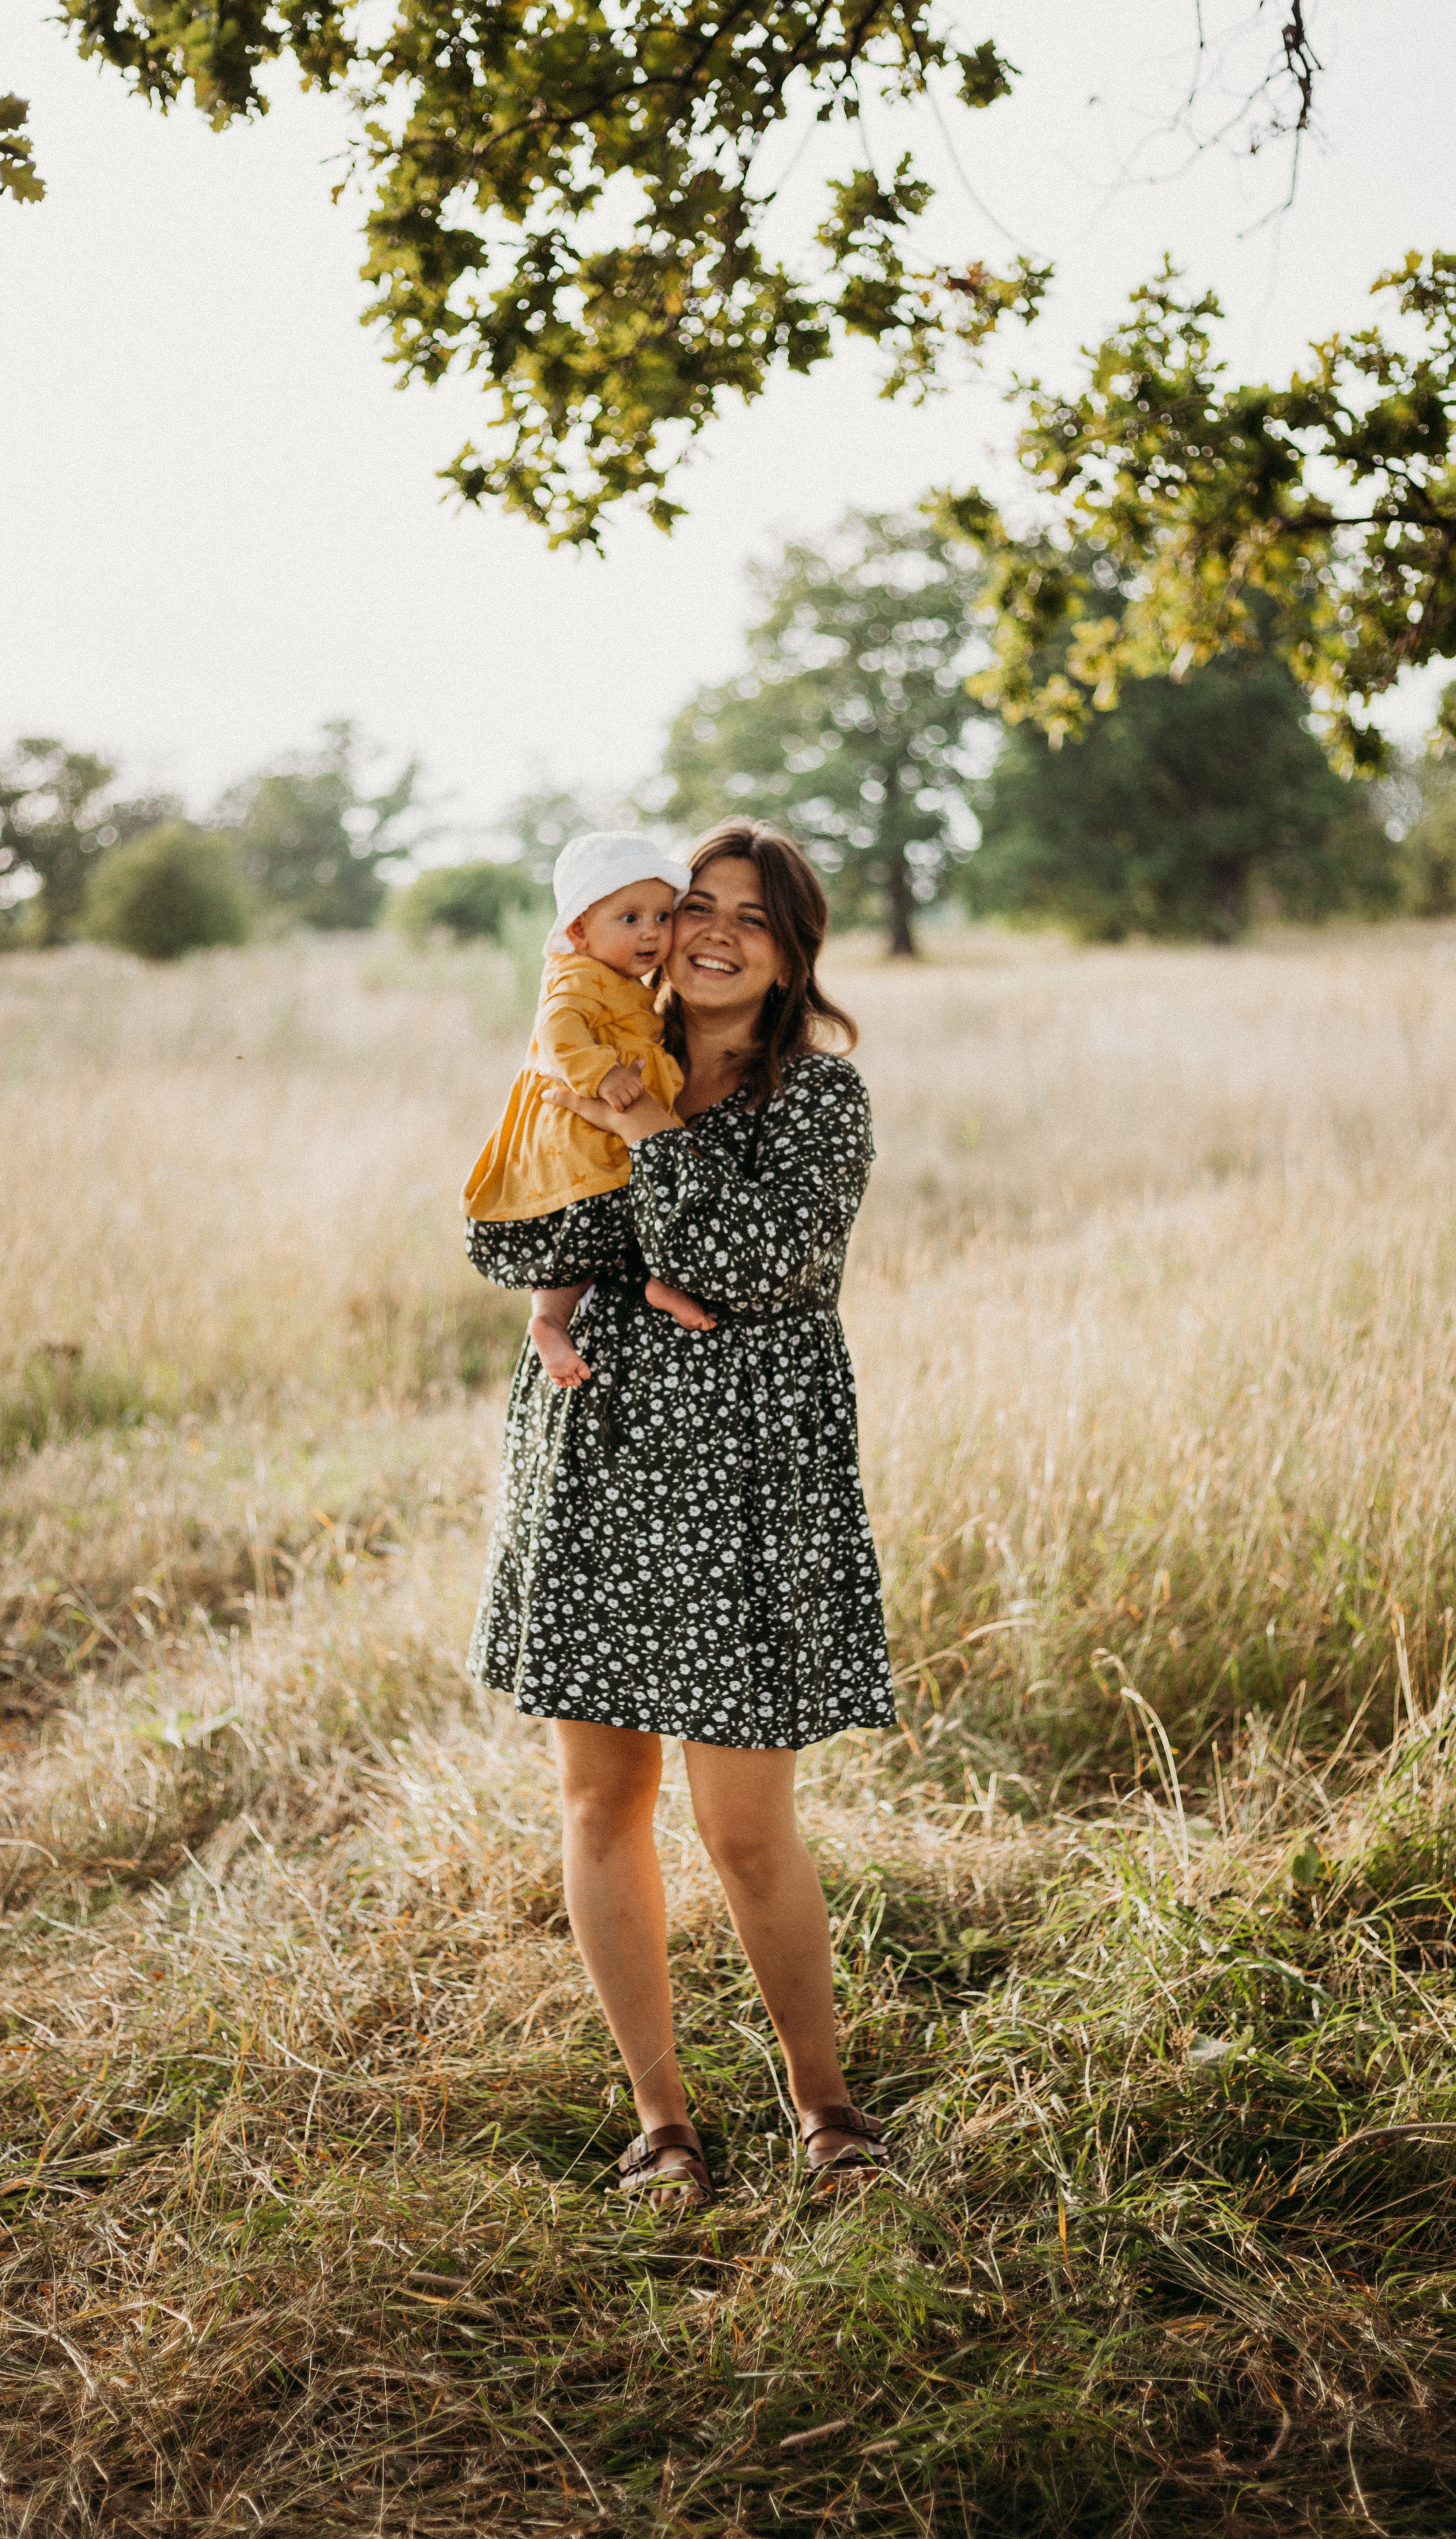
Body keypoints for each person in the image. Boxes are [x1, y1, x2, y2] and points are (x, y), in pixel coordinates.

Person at [464, 821, 899, 2206]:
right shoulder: (588, 1042)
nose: (706, 935)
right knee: (602, 1799)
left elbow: (762, 1268)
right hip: (593, 1454)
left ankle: (823, 2108)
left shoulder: (817, 1099)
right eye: (687, 908)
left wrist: (644, 1146)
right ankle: (661, 2121)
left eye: (746, 920)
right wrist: (631, 1242)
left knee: (743, 1824)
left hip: (746, 1484)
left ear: (791, 952)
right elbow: (509, 1238)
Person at [462, 830, 713, 1386]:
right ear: (579, 930)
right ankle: (549, 1318)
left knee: (637, 1200)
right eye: (629, 919)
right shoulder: (575, 975)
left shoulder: (628, 983)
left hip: (613, 1134)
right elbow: (558, 1030)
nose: (651, 931)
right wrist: (600, 1074)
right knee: (584, 1218)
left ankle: (656, 1280)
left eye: (662, 917)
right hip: (575, 1132)